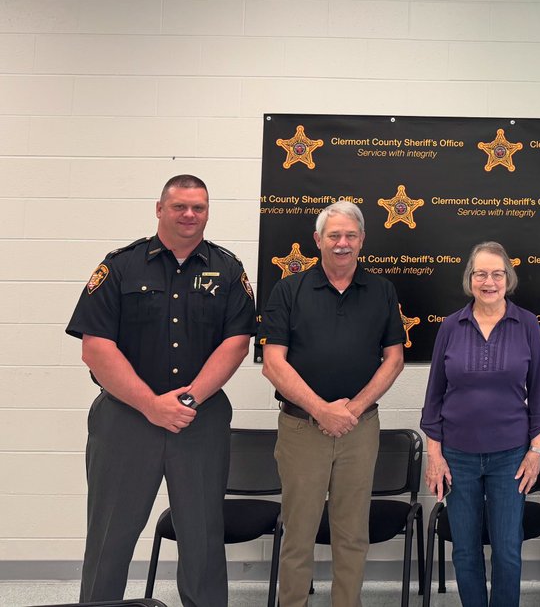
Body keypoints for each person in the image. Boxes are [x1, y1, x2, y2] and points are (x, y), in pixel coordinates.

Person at [65, 175, 255, 607]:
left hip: (199, 420)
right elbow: (95, 348)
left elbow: (236, 343)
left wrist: (186, 401)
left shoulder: (228, 270)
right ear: (159, 209)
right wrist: (151, 405)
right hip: (125, 421)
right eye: (179, 207)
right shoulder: (119, 267)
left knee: (204, 537)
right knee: (109, 535)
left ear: (207, 212)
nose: (190, 215)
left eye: (199, 208)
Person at [261, 200, 406, 607]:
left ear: (362, 240)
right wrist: (322, 410)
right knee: (299, 531)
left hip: (360, 431)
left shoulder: (381, 290)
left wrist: (352, 410)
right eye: (333, 235)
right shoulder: (289, 289)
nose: (342, 243)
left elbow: (393, 359)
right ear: (317, 240)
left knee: (352, 532)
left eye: (350, 235)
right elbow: (273, 364)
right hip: (301, 429)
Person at [421, 241, 540, 607]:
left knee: (508, 551)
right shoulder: (451, 325)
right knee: (464, 550)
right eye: (481, 273)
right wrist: (435, 456)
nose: (489, 281)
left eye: (497, 274)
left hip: (511, 458)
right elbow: (434, 398)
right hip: (457, 457)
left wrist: (535, 452)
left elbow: (538, 395)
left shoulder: (526, 324)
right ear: (470, 279)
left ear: (508, 279)